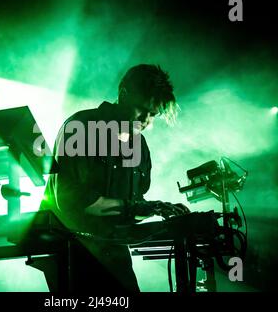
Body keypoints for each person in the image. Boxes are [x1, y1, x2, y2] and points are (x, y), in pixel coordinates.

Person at [37, 64, 190, 293]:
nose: (146, 120)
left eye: (153, 115)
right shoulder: (82, 128)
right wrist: (145, 208)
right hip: (71, 249)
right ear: (123, 94)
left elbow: (130, 207)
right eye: (141, 110)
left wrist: (158, 210)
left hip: (112, 250)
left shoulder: (140, 146)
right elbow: (74, 202)